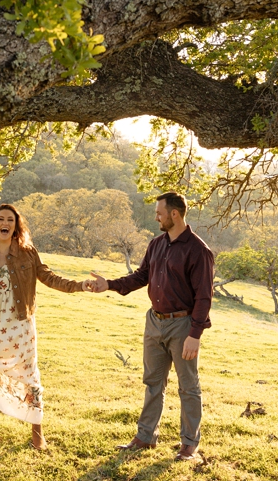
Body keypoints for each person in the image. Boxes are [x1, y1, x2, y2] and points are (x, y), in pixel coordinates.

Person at [84, 191, 215, 462]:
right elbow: (142, 276)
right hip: (154, 322)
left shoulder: (198, 250)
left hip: (183, 325)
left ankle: (189, 444)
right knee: (153, 383)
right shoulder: (156, 244)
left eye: (159, 213)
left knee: (188, 386)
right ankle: (145, 437)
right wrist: (109, 284)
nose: (156, 216)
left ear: (174, 214)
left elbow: (204, 296)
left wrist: (195, 334)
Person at [0, 203, 87, 456]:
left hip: (20, 325)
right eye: (0, 219)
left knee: (29, 375)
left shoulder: (27, 253)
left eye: (9, 219)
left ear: (16, 225)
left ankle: (37, 432)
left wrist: (79, 285)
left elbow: (50, 278)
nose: (4, 223)